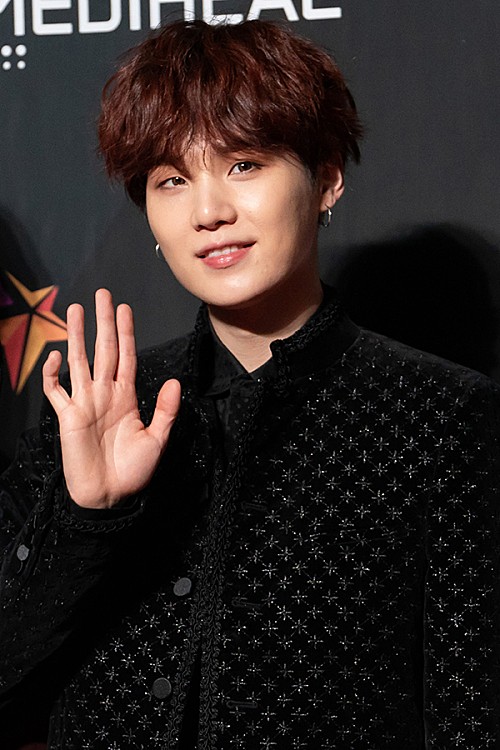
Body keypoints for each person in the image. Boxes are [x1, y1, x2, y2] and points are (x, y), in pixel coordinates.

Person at [0, 18, 499, 750]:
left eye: (244, 165)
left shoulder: (442, 418)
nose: (209, 213)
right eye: (172, 180)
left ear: (326, 178)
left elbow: (473, 716)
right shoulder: (94, 409)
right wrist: (87, 518)